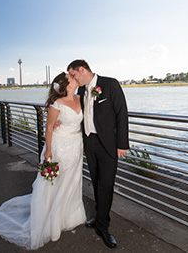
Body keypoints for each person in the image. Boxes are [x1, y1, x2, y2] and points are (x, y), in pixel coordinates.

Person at [0, 72, 86, 250]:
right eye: (72, 77)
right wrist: (48, 150)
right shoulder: (57, 104)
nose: (75, 78)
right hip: (59, 146)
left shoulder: (82, 97)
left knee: (72, 180)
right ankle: (52, 221)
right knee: (57, 182)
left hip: (76, 145)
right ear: (66, 84)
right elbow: (49, 128)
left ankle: (70, 215)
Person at [67, 59, 129, 248]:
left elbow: (122, 113)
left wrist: (122, 144)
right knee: (96, 182)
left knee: (106, 185)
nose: (72, 78)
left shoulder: (110, 84)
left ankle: (103, 226)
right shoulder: (82, 90)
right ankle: (99, 215)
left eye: (73, 74)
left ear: (82, 70)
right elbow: (80, 115)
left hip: (109, 145)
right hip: (90, 143)